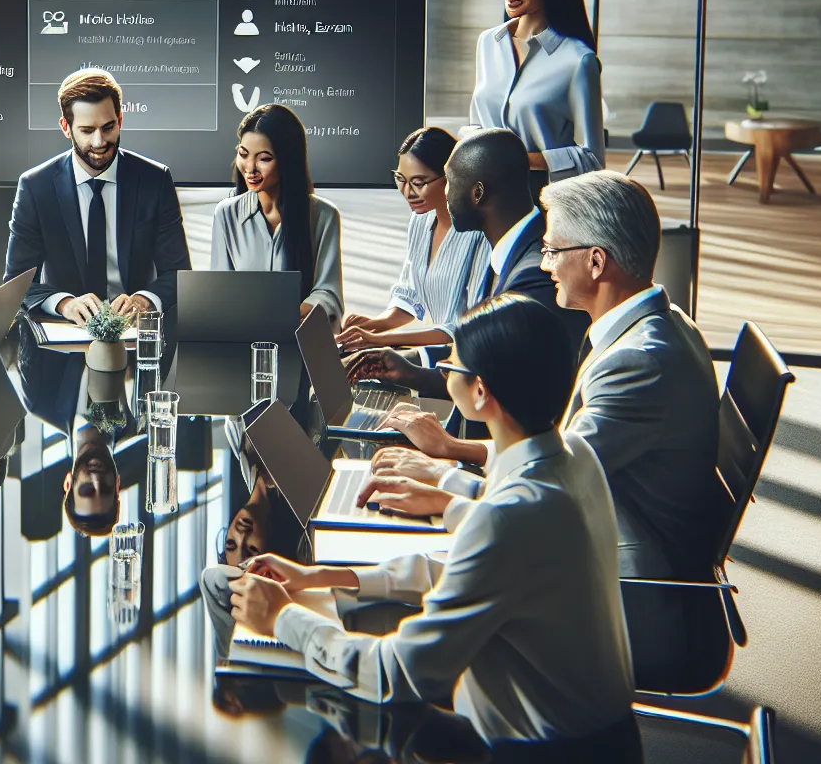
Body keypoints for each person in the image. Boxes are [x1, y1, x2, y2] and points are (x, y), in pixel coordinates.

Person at [210, 295, 637, 752]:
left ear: (479, 392)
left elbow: (393, 675)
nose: (446, 368)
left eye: (453, 365)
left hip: (535, 751)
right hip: (598, 734)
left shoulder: (507, 519)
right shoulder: (576, 457)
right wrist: (327, 575)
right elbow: (466, 565)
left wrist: (283, 617)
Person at [368, 171, 722, 685]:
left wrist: (447, 487)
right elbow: (565, 459)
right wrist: (449, 459)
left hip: (635, 598)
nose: (544, 263)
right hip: (627, 556)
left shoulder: (638, 361)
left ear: (596, 262)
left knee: (420, 604)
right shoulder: (662, 325)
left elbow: (553, 481)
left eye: (553, 251)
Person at [346, 129, 588, 412]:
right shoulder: (508, 251)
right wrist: (401, 361)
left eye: (450, 183)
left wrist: (411, 372)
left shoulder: (534, 276)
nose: (445, 193)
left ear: (477, 193)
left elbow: (497, 384)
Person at [5, 68, 191, 323]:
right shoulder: (36, 187)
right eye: (87, 130)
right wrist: (65, 304)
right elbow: (16, 283)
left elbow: (178, 273)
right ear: (66, 127)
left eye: (108, 127)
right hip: (63, 335)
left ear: (120, 120)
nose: (99, 141)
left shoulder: (154, 180)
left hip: (135, 332)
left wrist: (144, 300)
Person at [467, 0, 603, 184]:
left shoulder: (578, 61)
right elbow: (477, 122)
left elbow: (593, 159)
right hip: (484, 194)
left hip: (543, 198)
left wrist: (521, 160)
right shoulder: (488, 43)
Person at [336, 126, 488, 351]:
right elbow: (409, 296)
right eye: (401, 179)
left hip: (466, 360)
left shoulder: (480, 234)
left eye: (419, 182)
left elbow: (467, 327)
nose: (407, 192)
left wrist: (379, 341)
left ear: (451, 177)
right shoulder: (421, 221)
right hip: (436, 357)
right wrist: (375, 325)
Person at [210, 103, 344, 322]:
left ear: (287, 160)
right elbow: (218, 292)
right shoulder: (226, 214)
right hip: (244, 339)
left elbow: (328, 294)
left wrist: (283, 317)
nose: (250, 168)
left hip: (300, 339)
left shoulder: (323, 216)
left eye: (264, 159)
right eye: (244, 154)